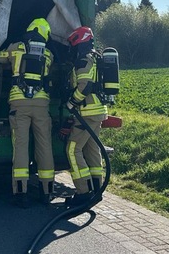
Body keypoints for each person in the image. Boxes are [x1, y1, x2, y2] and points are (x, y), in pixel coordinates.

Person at [0, 18, 55, 208]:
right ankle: (46, 191)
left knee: (21, 146)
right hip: (41, 104)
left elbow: (0, 57)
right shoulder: (48, 54)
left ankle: (21, 192)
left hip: (19, 104)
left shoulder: (16, 48)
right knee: (44, 145)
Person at [64, 26, 108, 206]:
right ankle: (97, 189)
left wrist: (71, 102)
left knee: (72, 150)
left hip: (87, 113)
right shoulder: (96, 58)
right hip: (98, 111)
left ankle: (83, 192)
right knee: (92, 149)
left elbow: (85, 86)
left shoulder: (83, 60)